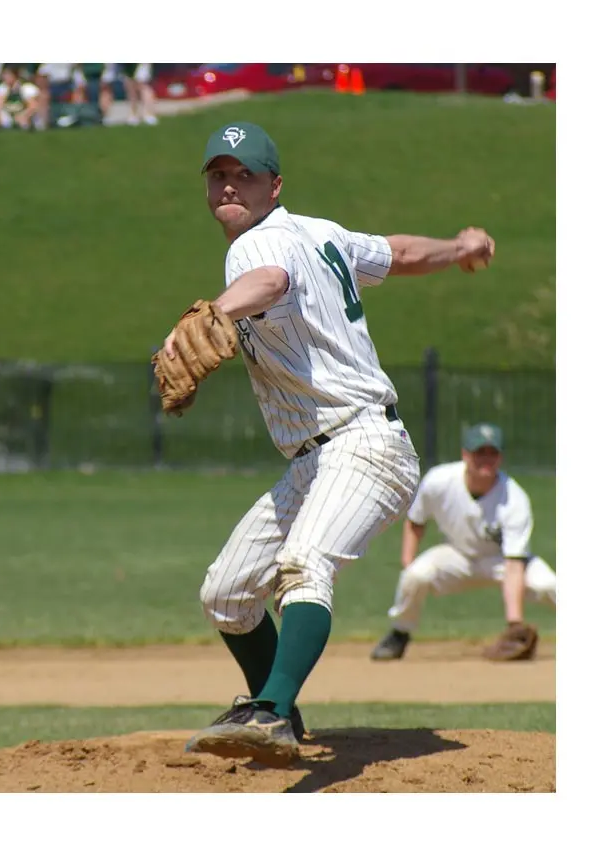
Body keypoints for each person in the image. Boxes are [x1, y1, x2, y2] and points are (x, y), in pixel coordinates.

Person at [159, 121, 495, 767]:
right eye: (218, 174)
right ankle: (273, 706)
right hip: (315, 459)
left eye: (244, 174)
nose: (229, 185)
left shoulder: (253, 247)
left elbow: (271, 282)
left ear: (273, 185)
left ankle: (273, 711)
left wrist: (213, 314)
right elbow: (396, 253)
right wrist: (456, 246)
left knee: (304, 563)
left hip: (363, 442)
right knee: (226, 594)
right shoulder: (323, 231)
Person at [369, 422, 556, 662]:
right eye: (480, 452)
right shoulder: (439, 480)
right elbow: (415, 521)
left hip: (501, 561)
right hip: (457, 556)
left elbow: (513, 565)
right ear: (465, 454)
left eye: (492, 453)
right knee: (416, 575)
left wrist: (514, 623)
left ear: (500, 458)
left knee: (549, 585)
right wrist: (408, 565)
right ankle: (400, 633)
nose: (486, 459)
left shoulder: (514, 498)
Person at [0, 65, 41, 131]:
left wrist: (22, 115)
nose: (4, 77)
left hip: (25, 115)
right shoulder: (3, 87)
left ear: (15, 75)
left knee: (23, 119)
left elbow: (33, 107)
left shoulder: (26, 87)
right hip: (9, 115)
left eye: (7, 75)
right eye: (4, 74)